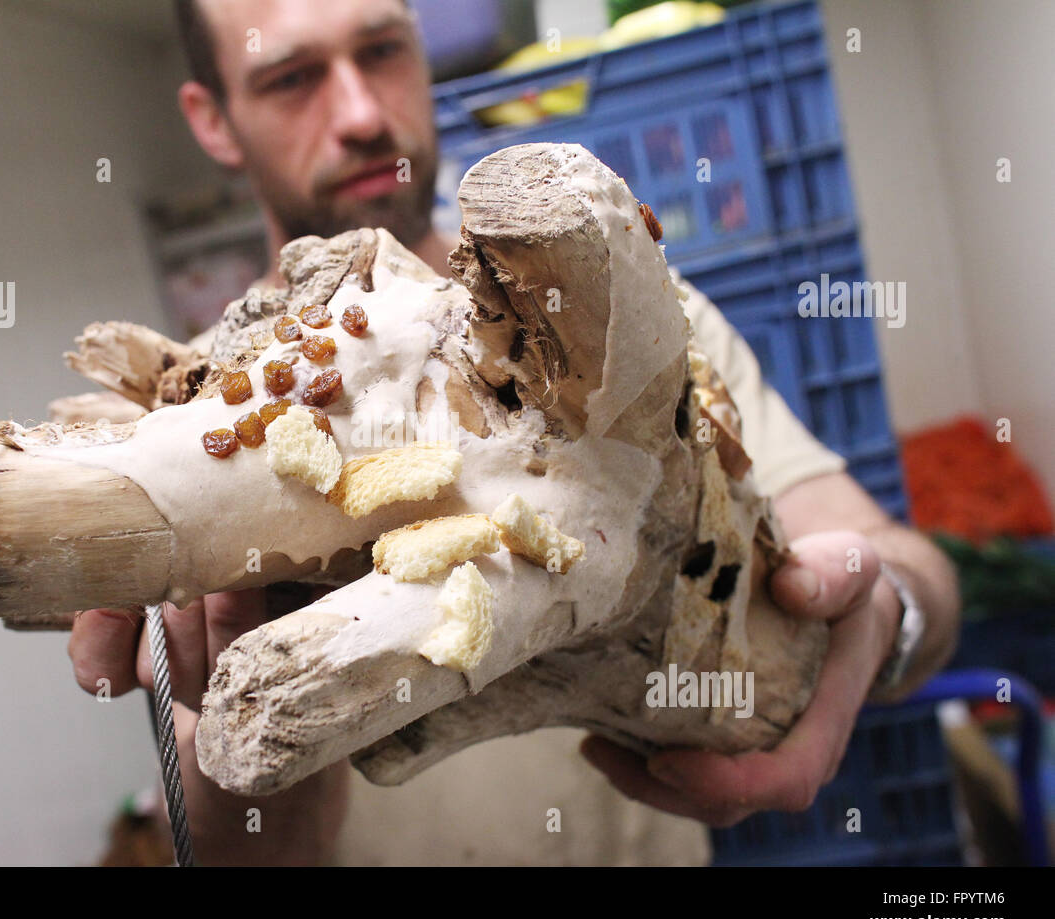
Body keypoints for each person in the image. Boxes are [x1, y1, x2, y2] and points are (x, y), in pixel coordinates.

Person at [69, 0, 961, 865]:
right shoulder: (184, 428)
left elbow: (901, 564)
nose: (360, 114)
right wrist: (259, 723)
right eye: (292, 77)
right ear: (213, 119)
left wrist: (889, 616)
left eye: (381, 50)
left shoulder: (633, 324)